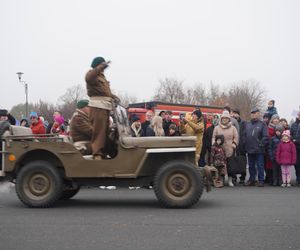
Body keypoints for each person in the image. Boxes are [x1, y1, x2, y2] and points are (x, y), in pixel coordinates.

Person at [85, 56, 118, 160]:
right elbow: (88, 78)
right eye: (102, 65)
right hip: (98, 107)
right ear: (98, 65)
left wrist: (114, 97)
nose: (104, 67)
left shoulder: (101, 77)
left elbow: (105, 92)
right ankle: (97, 154)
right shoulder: (93, 74)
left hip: (104, 106)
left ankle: (103, 152)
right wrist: (100, 67)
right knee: (99, 130)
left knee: (105, 130)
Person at [212, 111, 239, 187]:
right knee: (221, 166)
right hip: (219, 150)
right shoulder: (217, 127)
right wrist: (214, 145)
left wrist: (234, 143)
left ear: (229, 119)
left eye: (226, 118)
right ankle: (221, 180)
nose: (224, 119)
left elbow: (236, 137)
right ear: (221, 119)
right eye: (223, 118)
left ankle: (230, 180)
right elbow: (213, 137)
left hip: (230, 148)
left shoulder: (233, 128)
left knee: (230, 166)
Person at [244, 108, 269, 187]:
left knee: (260, 165)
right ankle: (252, 180)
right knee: (251, 166)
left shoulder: (262, 124)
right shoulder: (247, 124)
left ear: (259, 114)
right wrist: (245, 143)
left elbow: (266, 136)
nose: (254, 115)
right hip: (249, 149)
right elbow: (244, 135)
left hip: (259, 150)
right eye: (252, 113)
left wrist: (261, 144)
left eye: (255, 113)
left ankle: (261, 180)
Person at [265, 114, 280, 184]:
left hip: (278, 149)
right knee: (269, 164)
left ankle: (278, 179)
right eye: (274, 119)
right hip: (270, 147)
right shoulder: (268, 128)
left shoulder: (280, 127)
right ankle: (270, 179)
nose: (276, 120)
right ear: (272, 120)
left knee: (278, 166)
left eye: (277, 119)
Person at [290, 111, 300, 186]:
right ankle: (298, 179)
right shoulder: (293, 125)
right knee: (297, 164)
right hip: (296, 148)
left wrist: (297, 140)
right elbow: (290, 135)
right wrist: (293, 139)